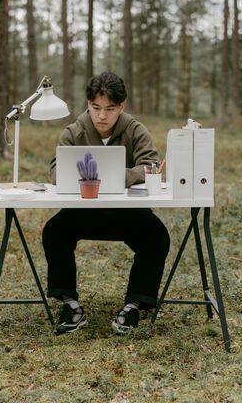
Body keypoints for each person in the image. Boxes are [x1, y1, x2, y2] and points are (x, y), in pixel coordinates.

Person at [43, 71, 170, 335]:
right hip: (82, 211)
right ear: (88, 104)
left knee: (157, 236)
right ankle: (70, 304)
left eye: (110, 109)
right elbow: (55, 172)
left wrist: (118, 177)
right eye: (96, 108)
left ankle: (134, 306)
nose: (102, 116)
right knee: (55, 230)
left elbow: (151, 167)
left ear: (121, 106)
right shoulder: (73, 132)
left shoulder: (136, 130)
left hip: (128, 213)